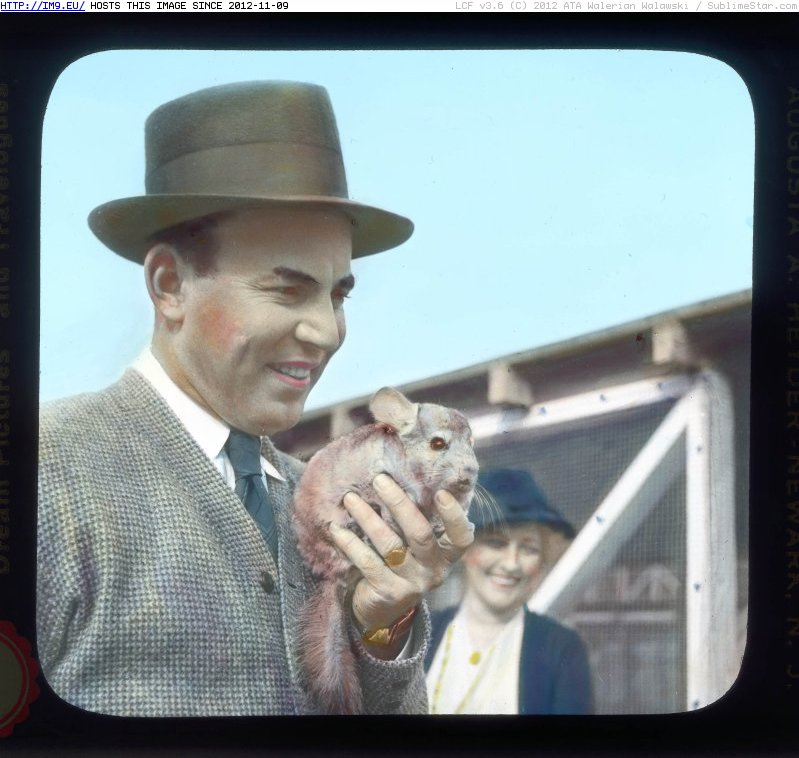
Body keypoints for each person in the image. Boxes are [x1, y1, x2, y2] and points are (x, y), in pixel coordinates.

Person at [36, 81, 474, 717]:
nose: (327, 331)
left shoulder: (324, 498)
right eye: (286, 289)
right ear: (169, 285)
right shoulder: (45, 470)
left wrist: (382, 629)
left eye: (339, 295)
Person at [424, 467, 592, 715]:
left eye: (528, 548)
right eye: (496, 543)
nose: (511, 563)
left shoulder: (561, 649)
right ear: (465, 548)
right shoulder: (422, 635)